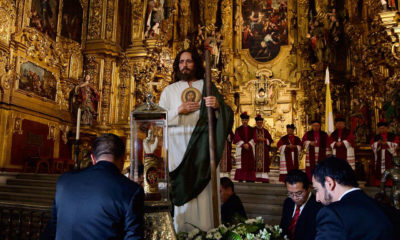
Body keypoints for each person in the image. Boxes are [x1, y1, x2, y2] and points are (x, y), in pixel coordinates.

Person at [159, 49, 233, 232]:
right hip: (178, 151)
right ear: (177, 66)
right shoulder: (169, 91)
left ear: (196, 64)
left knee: (206, 193)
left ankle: (208, 231)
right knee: (184, 194)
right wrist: (178, 110)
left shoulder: (206, 86)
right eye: (181, 62)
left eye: (189, 61)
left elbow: (227, 114)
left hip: (203, 148)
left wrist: (217, 107)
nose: (185, 65)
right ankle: (182, 232)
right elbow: (158, 119)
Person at [41, 134, 144, 240]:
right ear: (122, 160)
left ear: (93, 158)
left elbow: (52, 228)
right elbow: (133, 237)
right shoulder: (132, 190)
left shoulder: (64, 181)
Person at [312, 156, 395, 240]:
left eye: (317, 190)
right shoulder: (387, 209)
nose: (317, 198)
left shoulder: (333, 214)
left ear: (329, 183)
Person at [280, 170, 321, 240]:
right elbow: (283, 229)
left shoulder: (318, 207)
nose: (295, 198)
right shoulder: (288, 202)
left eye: (299, 193)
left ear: (308, 188)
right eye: (290, 193)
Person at [370, 120, 399, 186]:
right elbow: (372, 145)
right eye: (380, 128)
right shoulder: (376, 137)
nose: (381, 130)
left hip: (389, 156)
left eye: (383, 128)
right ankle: (379, 183)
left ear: (387, 128)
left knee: (390, 169)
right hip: (379, 156)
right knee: (378, 171)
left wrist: (387, 143)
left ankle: (390, 183)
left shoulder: (393, 136)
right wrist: (378, 143)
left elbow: (396, 145)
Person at [234, 112, 256, 182]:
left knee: (250, 164)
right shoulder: (238, 129)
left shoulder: (252, 129)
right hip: (241, 149)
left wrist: (249, 144)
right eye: (243, 120)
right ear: (241, 121)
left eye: (246, 120)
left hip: (249, 149)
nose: (244, 121)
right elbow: (236, 138)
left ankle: (250, 179)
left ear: (248, 120)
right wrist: (243, 144)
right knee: (241, 165)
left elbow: (254, 138)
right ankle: (240, 178)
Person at [254, 115, 273, 183]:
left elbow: (270, 140)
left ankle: (264, 177)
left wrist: (265, 140)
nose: (259, 123)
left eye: (260, 122)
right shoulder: (253, 130)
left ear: (262, 123)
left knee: (264, 163)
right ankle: (256, 176)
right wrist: (257, 139)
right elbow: (250, 139)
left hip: (264, 150)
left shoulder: (265, 131)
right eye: (258, 122)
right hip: (255, 150)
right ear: (256, 123)